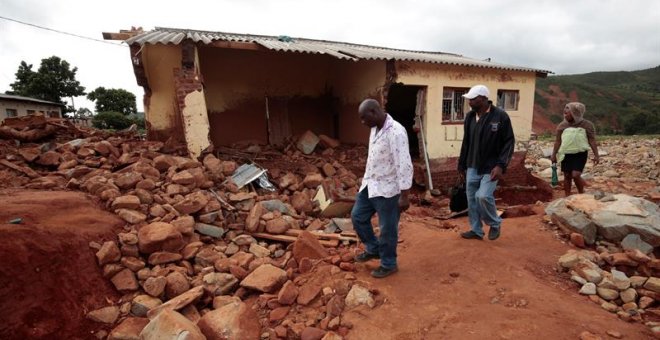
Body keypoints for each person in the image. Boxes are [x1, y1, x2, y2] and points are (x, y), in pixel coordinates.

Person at [352, 98, 413, 278]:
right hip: (370, 184)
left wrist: (405, 195)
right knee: (357, 217)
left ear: (374, 112)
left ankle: (389, 263)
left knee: (387, 229)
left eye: (364, 118)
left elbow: (404, 164)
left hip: (389, 189)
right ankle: (373, 248)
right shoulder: (374, 128)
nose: (363, 122)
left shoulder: (396, 132)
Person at [457, 85, 514, 241]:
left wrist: (501, 165)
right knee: (472, 199)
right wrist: (461, 165)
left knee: (482, 196)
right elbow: (466, 142)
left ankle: (495, 223)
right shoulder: (469, 117)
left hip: (491, 167)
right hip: (472, 165)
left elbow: (509, 142)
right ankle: (476, 230)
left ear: (483, 99)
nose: (469, 101)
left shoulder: (500, 117)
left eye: (473, 99)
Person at [550, 102, 599, 196]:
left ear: (575, 113)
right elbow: (558, 141)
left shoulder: (587, 125)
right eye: (564, 111)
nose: (565, 112)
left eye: (568, 110)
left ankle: (581, 194)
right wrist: (554, 154)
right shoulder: (562, 125)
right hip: (566, 153)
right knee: (567, 175)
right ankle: (567, 196)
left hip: (580, 154)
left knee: (576, 175)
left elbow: (592, 140)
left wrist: (596, 155)